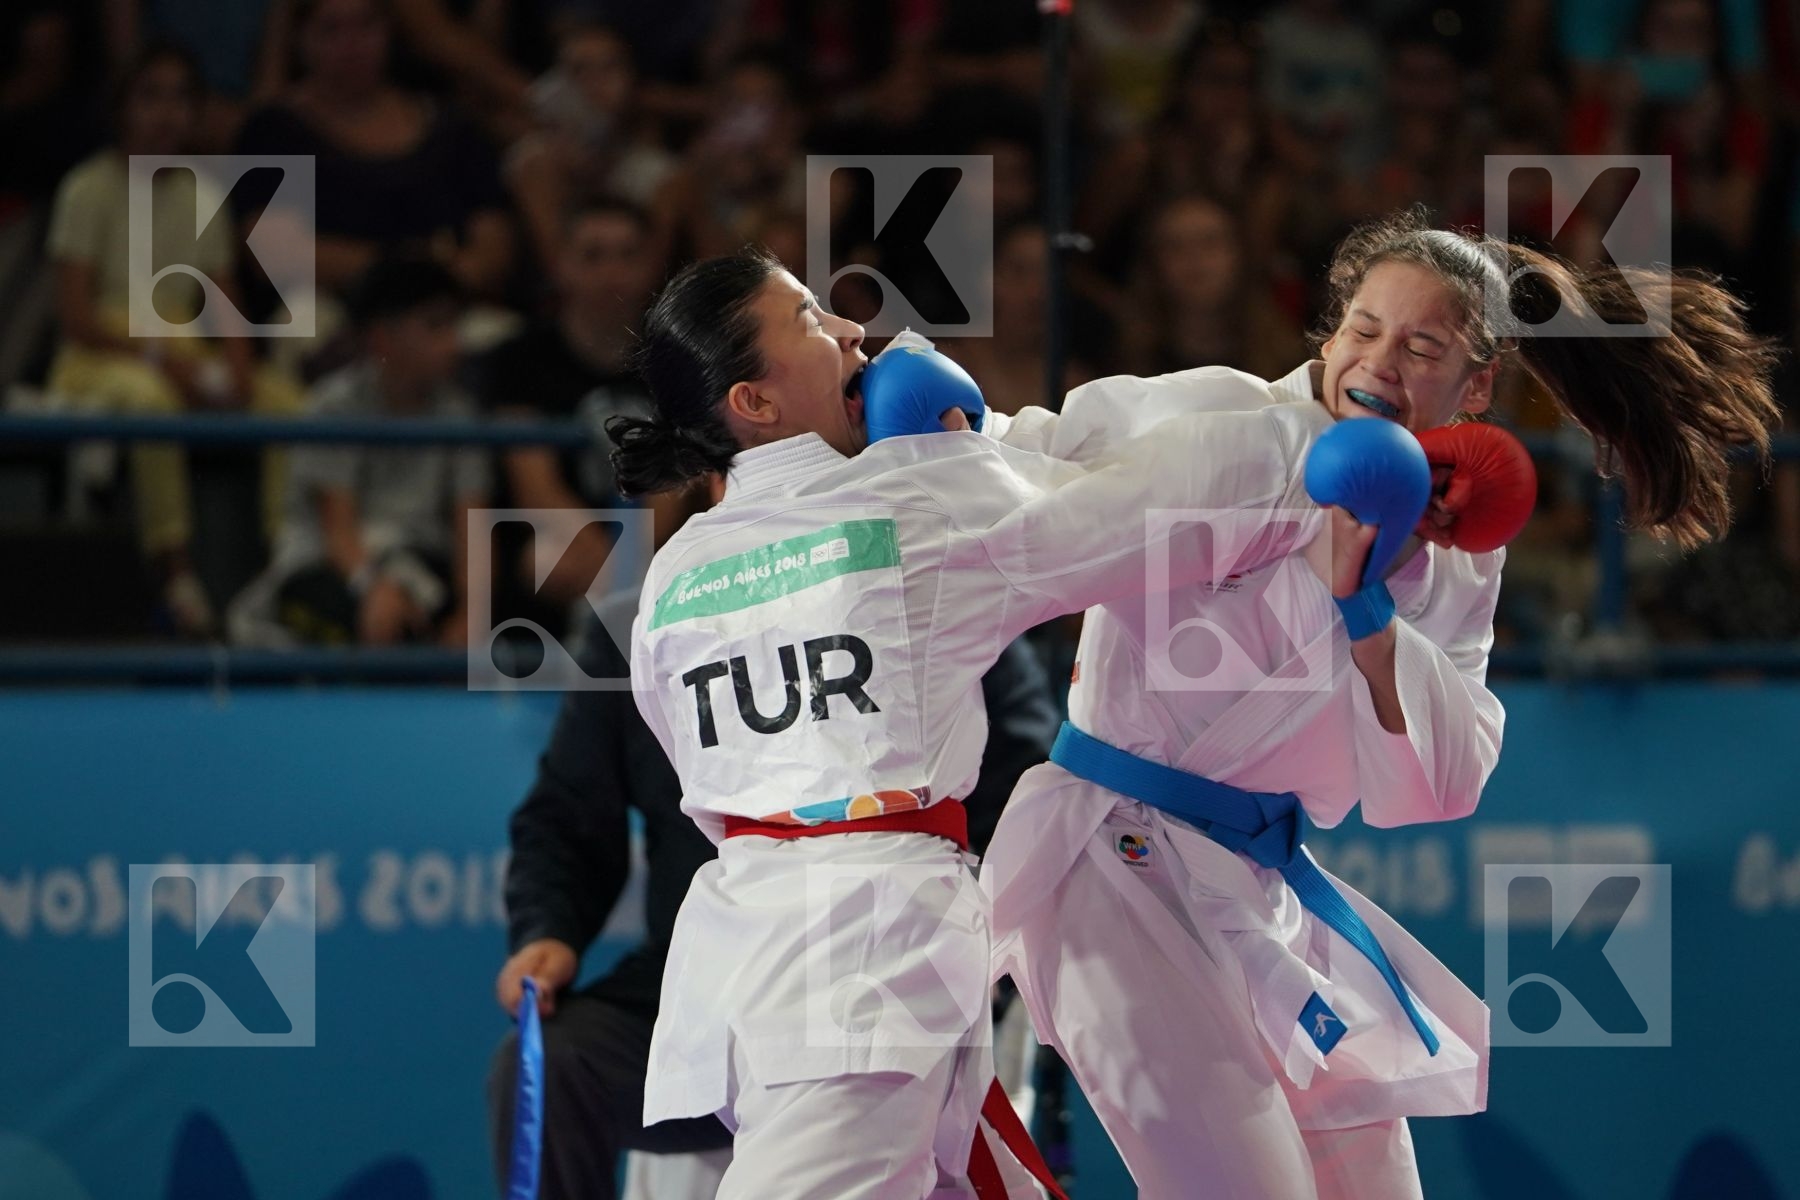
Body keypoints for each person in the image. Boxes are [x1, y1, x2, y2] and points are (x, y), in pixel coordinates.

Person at [981, 207, 1781, 1199]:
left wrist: (1369, 617)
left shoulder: (1460, 551)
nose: (1380, 362)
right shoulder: (1218, 422)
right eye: (1363, 328)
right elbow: (1025, 456)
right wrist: (899, 419)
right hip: (1109, 867)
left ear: (1476, 386)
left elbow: (1448, 779)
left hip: (1258, 889)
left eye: (1422, 347)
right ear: (1330, 334)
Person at [609, 247, 1377, 1199]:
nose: (852, 329)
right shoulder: (910, 500)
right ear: (754, 401)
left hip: (745, 947)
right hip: (867, 954)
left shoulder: (674, 575)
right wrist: (1320, 427)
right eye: (810, 319)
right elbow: (1142, 503)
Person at [481, 470, 1060, 1199]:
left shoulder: (912, 581)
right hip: (715, 977)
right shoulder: (646, 624)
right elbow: (567, 814)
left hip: (877, 962)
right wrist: (549, 928)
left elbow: (1024, 780)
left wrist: (979, 932)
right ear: (713, 484)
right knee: (550, 1067)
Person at [45, 43, 305, 637]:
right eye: (150, 97)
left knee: (287, 403)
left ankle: (284, 564)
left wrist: (239, 373)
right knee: (150, 400)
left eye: (181, 98)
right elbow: (77, 318)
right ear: (122, 109)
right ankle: (176, 570)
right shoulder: (86, 188)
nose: (166, 113)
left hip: (182, 349)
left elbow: (226, 306)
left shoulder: (203, 195)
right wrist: (164, 362)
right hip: (99, 357)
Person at [226, 257, 488, 647]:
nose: (454, 342)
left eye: (454, 324)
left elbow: (472, 525)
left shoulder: (459, 414)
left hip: (417, 565)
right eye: (435, 326)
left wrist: (473, 612)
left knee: (446, 617)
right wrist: (372, 587)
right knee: (358, 618)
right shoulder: (333, 409)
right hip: (329, 565)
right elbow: (338, 530)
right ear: (383, 338)